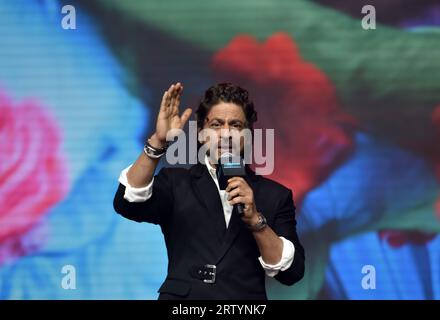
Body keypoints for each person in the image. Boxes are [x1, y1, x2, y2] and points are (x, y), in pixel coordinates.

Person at [113, 82, 305, 299]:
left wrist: (256, 222)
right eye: (216, 124)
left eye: (235, 125)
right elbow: (126, 202)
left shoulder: (274, 195)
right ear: (202, 134)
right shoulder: (177, 183)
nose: (226, 134)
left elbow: (292, 273)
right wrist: (158, 142)